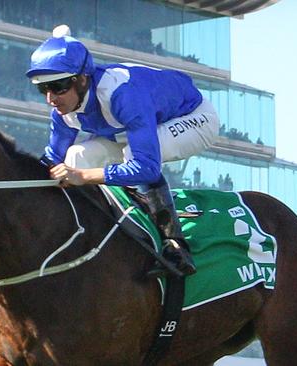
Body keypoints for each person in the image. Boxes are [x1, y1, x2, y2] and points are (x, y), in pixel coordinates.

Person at [26, 25, 220, 277]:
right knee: (76, 156)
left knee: (131, 157)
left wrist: (83, 177)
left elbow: (146, 168)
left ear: (82, 79)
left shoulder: (121, 94)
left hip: (193, 117)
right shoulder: (62, 112)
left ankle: (175, 245)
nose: (51, 98)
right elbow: (52, 160)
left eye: (59, 86)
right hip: (137, 125)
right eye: (43, 88)